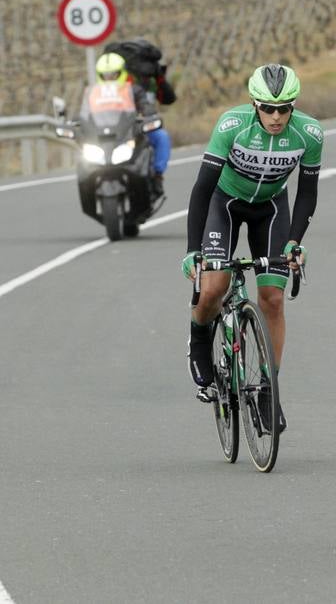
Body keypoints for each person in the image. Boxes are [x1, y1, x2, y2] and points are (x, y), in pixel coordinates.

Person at [181, 64, 323, 432]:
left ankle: (266, 390)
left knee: (273, 298)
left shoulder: (309, 133)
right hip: (224, 202)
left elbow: (307, 193)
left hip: (272, 208)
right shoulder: (232, 126)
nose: (276, 117)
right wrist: (192, 250)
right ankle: (199, 336)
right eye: (268, 108)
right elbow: (201, 189)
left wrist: (295, 243)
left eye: (284, 108)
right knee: (214, 287)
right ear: (254, 104)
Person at [94, 51, 169, 197]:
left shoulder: (134, 90)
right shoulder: (94, 93)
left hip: (131, 132)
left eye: (113, 74)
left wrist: (148, 113)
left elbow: (145, 105)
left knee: (161, 136)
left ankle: (157, 175)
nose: (109, 78)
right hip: (103, 135)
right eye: (106, 75)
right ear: (100, 75)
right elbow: (86, 113)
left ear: (121, 73)